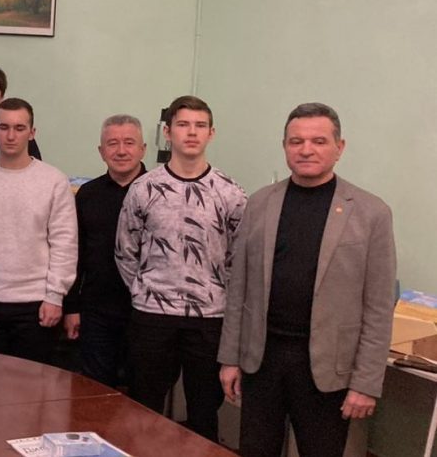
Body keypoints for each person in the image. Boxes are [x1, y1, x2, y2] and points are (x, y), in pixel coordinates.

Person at [218, 103, 396, 457]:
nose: (306, 150)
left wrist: (366, 383)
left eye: (319, 141)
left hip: (327, 369)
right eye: (296, 141)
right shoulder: (260, 203)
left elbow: (378, 307)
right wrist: (229, 358)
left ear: (339, 148)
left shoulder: (371, 213)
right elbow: (239, 289)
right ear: (284, 146)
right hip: (262, 360)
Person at [115, 95, 247, 442]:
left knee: (204, 411)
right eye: (183, 124)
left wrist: (217, 294)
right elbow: (126, 250)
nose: (191, 132)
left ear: (211, 133)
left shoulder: (230, 193)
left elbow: (239, 258)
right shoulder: (143, 189)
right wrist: (145, 290)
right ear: (167, 132)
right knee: (143, 409)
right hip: (152, 316)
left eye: (200, 126)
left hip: (209, 318)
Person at [0, 99, 77, 364]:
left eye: (19, 128)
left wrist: (55, 296)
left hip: (35, 304)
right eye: (4, 127)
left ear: (32, 133)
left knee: (30, 384)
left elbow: (65, 244)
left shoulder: (54, 181)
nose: (11, 136)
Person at [60, 114, 147, 388]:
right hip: (96, 311)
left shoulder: (159, 192)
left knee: (142, 390)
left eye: (129, 143)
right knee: (95, 391)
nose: (121, 151)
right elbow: (75, 255)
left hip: (145, 313)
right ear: (101, 151)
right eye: (112, 143)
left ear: (143, 149)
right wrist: (71, 308)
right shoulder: (87, 194)